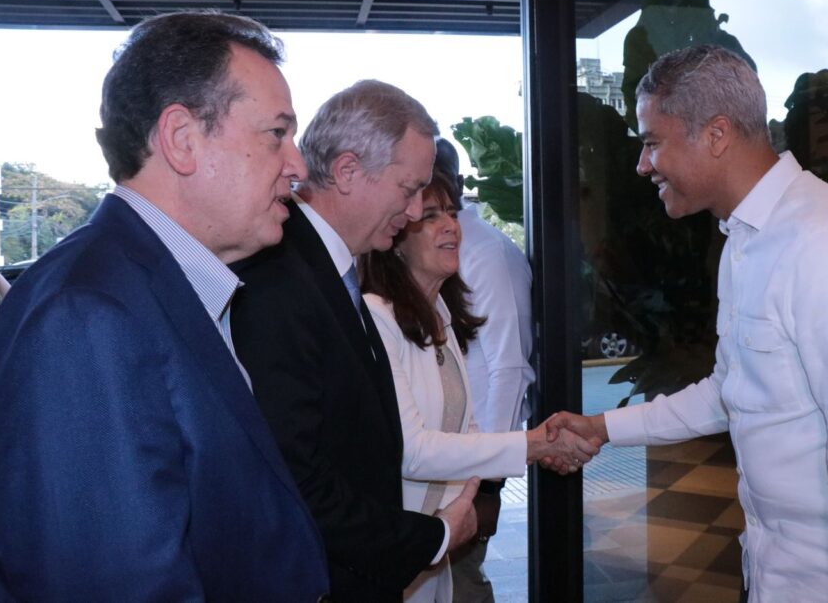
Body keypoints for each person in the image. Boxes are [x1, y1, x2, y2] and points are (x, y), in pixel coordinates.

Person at [545, 44, 828, 602]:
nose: (643, 164)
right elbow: (733, 391)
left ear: (716, 134)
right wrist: (602, 428)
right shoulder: (746, 240)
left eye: (652, 142)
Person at [0, 11, 329, 601]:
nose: (298, 166)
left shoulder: (158, 286)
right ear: (181, 139)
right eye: (277, 134)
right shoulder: (87, 317)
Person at [230, 80, 476, 601]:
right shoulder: (278, 278)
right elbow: (294, 477)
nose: (415, 212)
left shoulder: (328, 267)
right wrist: (433, 539)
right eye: (408, 189)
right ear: (347, 171)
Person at [360, 170, 598, 602]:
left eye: (452, 212)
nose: (451, 225)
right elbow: (413, 450)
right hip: (399, 544)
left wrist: (477, 493)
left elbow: (465, 427)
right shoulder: (378, 316)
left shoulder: (441, 315)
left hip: (438, 540)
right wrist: (533, 445)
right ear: (396, 239)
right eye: (430, 216)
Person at [433, 138, 536, 602]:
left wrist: (489, 485)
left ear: (456, 182)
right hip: (442, 456)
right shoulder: (426, 248)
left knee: (461, 582)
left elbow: (509, 369)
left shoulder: (485, 253)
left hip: (470, 466)